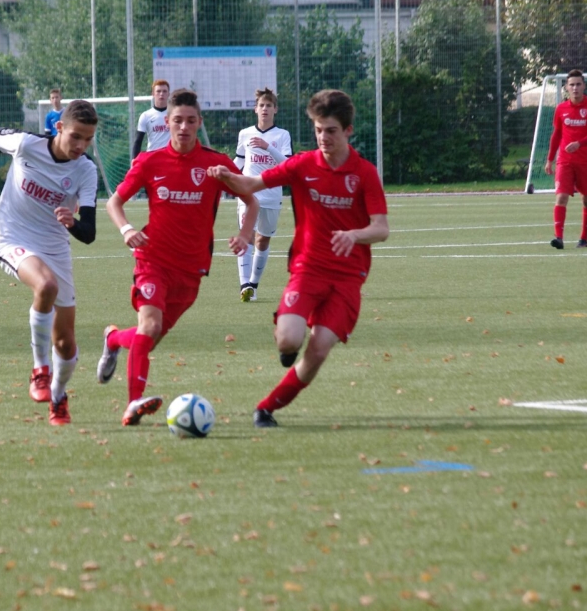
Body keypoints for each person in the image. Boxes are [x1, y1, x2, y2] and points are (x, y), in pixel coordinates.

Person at [208, 89, 389, 428]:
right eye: (318, 130)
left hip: (348, 278)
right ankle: (288, 327)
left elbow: (381, 228)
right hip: (308, 269)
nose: (323, 137)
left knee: (318, 350)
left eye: (331, 130)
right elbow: (253, 182)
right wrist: (226, 177)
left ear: (348, 130)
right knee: (289, 340)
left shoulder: (364, 173)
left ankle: (266, 408)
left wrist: (354, 235)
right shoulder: (304, 164)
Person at [98, 88, 259, 426]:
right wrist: (127, 229)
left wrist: (245, 235)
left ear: (199, 122)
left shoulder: (215, 163)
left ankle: (113, 339)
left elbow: (251, 198)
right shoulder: (150, 161)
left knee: (150, 336)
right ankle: (133, 404)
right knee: (150, 325)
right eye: (177, 121)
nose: (183, 127)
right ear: (166, 123)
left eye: (190, 120)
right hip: (152, 259)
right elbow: (114, 202)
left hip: (192, 268)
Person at [0, 100, 99, 426]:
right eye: (76, 136)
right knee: (46, 286)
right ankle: (40, 369)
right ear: (59, 128)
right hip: (14, 238)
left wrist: (72, 223)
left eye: (88, 139)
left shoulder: (86, 170)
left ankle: (58, 396)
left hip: (55, 249)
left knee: (66, 344)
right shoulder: (26, 144)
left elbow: (89, 233)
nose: (81, 145)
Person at [233, 87, 293, 302]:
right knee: (246, 236)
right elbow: (239, 161)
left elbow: (287, 165)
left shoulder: (282, 135)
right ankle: (245, 285)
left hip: (272, 195)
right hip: (248, 194)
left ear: (275, 109)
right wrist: (226, 177)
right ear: (255, 109)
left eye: (269, 105)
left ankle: (254, 284)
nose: (265, 109)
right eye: (261, 105)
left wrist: (268, 147)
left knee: (262, 240)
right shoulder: (245, 133)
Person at [544, 69, 587, 249]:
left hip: (586, 161)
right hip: (565, 161)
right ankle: (558, 238)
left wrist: (579, 143)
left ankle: (583, 239)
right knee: (561, 197)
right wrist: (550, 159)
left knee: (586, 200)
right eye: (572, 85)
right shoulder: (561, 109)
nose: (575, 88)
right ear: (566, 88)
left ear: (584, 86)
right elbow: (556, 135)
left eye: (578, 84)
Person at [131, 80, 171, 162]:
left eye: (164, 91)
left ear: (168, 94)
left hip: (170, 158)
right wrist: (134, 161)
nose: (161, 94)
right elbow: (138, 141)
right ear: (153, 93)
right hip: (152, 158)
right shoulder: (146, 116)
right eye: (158, 91)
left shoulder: (174, 115)